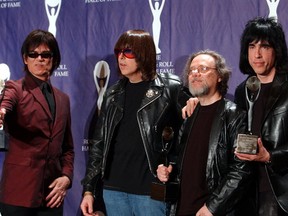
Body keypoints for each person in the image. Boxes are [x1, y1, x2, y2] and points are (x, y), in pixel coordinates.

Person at [80, 29, 190, 216]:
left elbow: (189, 136)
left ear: (144, 54)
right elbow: (99, 145)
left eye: (128, 52)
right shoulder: (112, 94)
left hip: (151, 191)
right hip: (114, 191)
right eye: (118, 52)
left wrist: (171, 163)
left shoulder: (170, 88)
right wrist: (89, 190)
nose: (121, 58)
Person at [157, 50, 254, 216]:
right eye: (192, 70)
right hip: (181, 209)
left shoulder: (236, 115)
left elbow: (242, 169)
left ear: (220, 76)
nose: (195, 74)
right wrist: (167, 169)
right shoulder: (188, 115)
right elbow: (182, 161)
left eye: (202, 69)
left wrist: (212, 207)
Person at [0, 29, 74, 216]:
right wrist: (1, 111)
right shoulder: (15, 88)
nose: (39, 59)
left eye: (45, 54)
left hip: (52, 196)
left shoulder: (63, 99)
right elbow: (6, 101)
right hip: (19, 194)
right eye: (33, 54)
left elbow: (67, 148)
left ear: (54, 59)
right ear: (25, 59)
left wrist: (66, 177)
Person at [234, 17, 288, 215]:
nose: (257, 54)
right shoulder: (243, 90)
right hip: (247, 194)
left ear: (277, 50)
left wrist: (270, 156)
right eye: (251, 46)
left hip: (280, 194)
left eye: (264, 46)